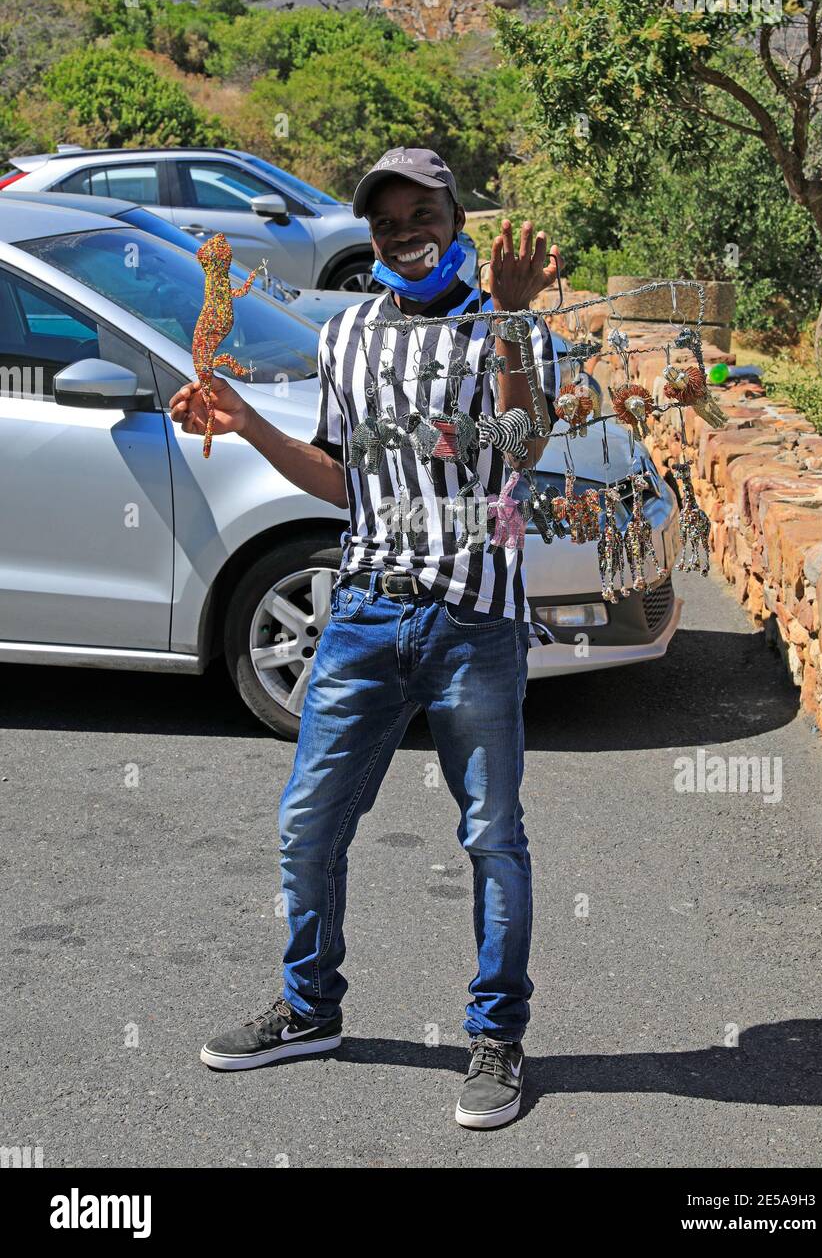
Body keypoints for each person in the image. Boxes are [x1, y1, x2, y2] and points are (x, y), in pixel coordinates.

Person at [170, 147, 562, 1129]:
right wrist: (249, 420)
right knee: (307, 821)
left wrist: (512, 319)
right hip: (363, 615)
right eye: (384, 220)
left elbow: (519, 453)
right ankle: (308, 1007)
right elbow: (348, 482)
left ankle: (495, 1038)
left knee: (489, 838)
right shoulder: (345, 337)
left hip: (472, 620)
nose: (401, 232)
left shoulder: (500, 325)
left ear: (454, 214)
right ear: (371, 235)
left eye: (419, 212)